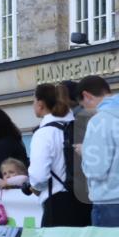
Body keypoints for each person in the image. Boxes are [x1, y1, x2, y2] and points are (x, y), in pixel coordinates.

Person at [27, 83, 91, 227]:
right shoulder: (81, 127)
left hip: (57, 203)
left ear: (40, 104)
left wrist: (35, 187)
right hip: (85, 200)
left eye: (33, 100)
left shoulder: (43, 133)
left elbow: (39, 176)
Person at [77, 75, 119, 227]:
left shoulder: (99, 121)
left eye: (83, 106)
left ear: (86, 96)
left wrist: (86, 152)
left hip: (109, 202)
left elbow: (96, 171)